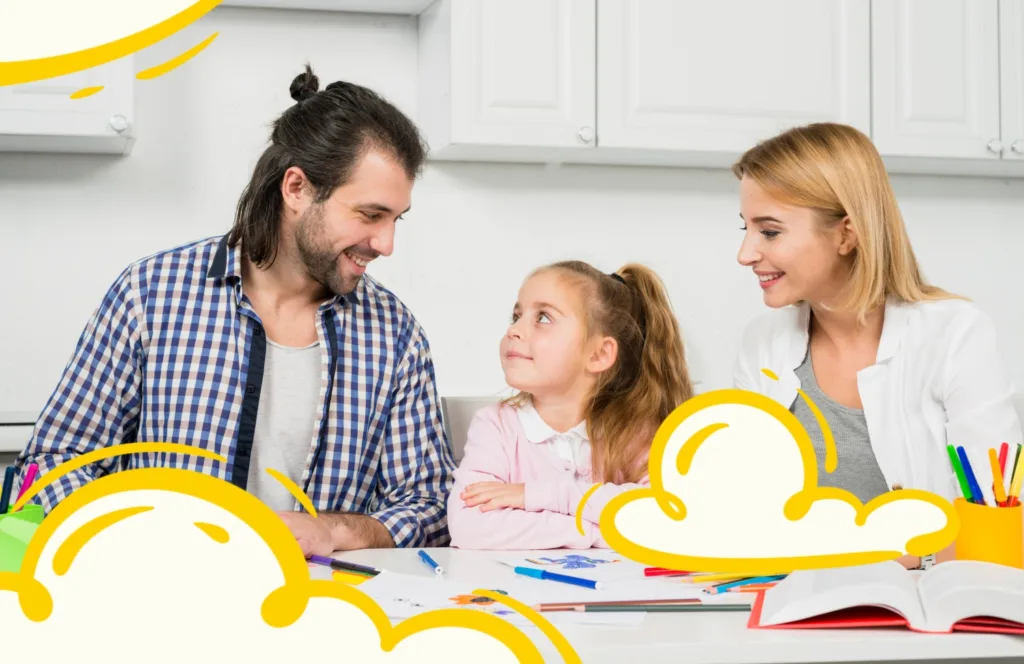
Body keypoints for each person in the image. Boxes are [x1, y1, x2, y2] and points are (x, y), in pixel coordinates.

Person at [15, 65, 456, 555]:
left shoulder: (395, 334)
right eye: (370, 215)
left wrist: (334, 531)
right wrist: (144, 540)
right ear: (297, 189)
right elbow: (52, 466)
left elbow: (430, 503)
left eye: (396, 220)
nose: (386, 243)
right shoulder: (151, 294)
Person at [731, 122, 1023, 567]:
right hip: (792, 595)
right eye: (746, 228)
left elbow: (994, 521)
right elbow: (746, 509)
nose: (745, 253)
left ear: (846, 234)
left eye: (769, 232)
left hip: (926, 600)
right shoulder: (762, 343)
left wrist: (900, 555)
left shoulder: (955, 334)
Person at [446, 260, 695, 549]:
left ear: (599, 354)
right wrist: (599, 532)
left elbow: (667, 517)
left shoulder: (635, 432)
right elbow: (469, 526)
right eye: (516, 316)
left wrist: (536, 496)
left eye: (543, 318)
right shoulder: (495, 426)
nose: (514, 330)